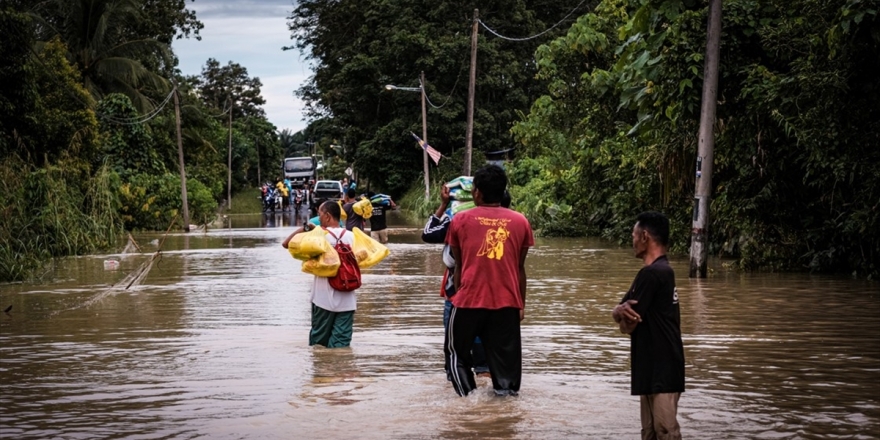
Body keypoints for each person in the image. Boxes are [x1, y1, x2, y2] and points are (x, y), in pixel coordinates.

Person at [445, 164, 533, 397]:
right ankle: (503, 411)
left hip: (468, 300)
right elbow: (519, 268)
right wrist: (521, 305)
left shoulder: (460, 220)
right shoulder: (521, 221)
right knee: (507, 366)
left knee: (456, 354)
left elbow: (459, 266)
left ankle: (470, 402)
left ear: (476, 193)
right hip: (507, 303)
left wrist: (456, 297)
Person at [423, 185, 512, 381]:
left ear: (477, 196)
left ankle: (461, 388)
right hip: (497, 297)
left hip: (459, 293)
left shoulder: (460, 222)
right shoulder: (512, 226)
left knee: (455, 350)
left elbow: (428, 234)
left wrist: (443, 204)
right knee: (489, 354)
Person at [612, 211, 685, 440]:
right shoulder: (660, 271)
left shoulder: (652, 274)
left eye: (633, 235)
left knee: (665, 431)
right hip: (657, 365)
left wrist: (619, 315)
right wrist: (618, 312)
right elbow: (623, 310)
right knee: (651, 432)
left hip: (661, 367)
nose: (631, 241)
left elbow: (628, 324)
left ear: (644, 236)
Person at [282, 201, 358, 348]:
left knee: (319, 346)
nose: (319, 217)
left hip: (323, 300)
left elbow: (286, 244)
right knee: (341, 347)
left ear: (328, 216)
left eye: (320, 214)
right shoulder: (352, 237)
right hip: (348, 301)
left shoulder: (318, 238)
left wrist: (307, 227)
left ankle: (323, 371)